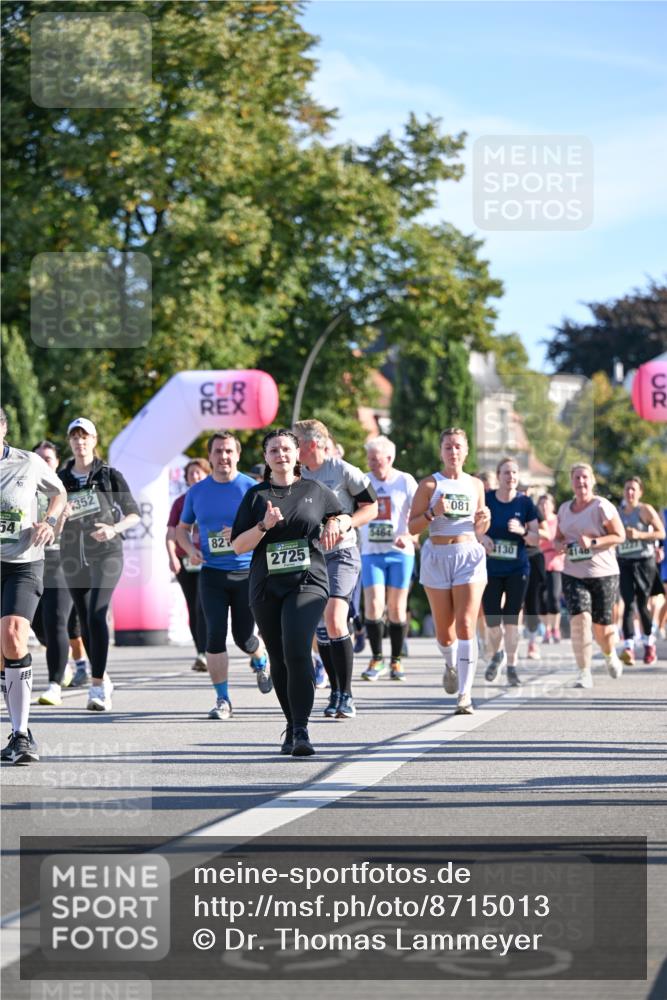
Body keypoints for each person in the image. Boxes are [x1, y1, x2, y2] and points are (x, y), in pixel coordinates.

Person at [231, 429, 342, 755]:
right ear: (266, 458)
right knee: (278, 658)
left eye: (286, 449)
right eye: (274, 450)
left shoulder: (315, 489)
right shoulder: (255, 496)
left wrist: (337, 523)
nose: (281, 455)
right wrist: (263, 525)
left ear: (297, 455)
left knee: (296, 649)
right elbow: (238, 545)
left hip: (309, 581)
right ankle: (291, 725)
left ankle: (301, 730)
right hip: (266, 585)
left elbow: (341, 515)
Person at [175, 432, 269, 721]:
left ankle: (260, 658)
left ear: (237, 455)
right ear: (211, 456)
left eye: (229, 451)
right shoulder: (197, 492)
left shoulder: (252, 489)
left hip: (246, 573)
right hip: (212, 574)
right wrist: (190, 549)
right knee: (213, 637)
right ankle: (223, 699)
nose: (224, 457)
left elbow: (269, 528)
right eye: (218, 451)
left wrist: (242, 536)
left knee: (243, 638)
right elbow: (181, 529)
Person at [293, 419, 378, 720]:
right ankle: (336, 691)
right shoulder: (294, 474)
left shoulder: (342, 470)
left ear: (311, 444)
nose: (290, 446)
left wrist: (345, 521)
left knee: (335, 617)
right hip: (309, 557)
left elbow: (371, 506)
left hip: (341, 553)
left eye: (295, 441)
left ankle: (348, 694)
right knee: (321, 628)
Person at [58, 417, 140, 712]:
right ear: (70, 442)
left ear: (94, 440)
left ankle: (96, 688)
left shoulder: (108, 475)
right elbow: (48, 518)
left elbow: (133, 513)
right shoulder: (60, 477)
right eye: (75, 437)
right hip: (72, 555)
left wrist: (113, 529)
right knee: (83, 620)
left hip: (107, 553)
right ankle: (102, 676)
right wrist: (61, 515)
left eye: (85, 437)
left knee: (96, 614)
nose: (80, 442)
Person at [407, 428, 490, 714]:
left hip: (468, 555)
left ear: (466, 451)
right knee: (445, 632)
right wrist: (433, 513)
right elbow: (412, 527)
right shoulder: (430, 485)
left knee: (466, 623)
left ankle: (465, 695)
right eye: (447, 447)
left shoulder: (476, 485)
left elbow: (479, 529)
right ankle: (451, 663)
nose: (453, 452)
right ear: (441, 452)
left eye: (457, 447)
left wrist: (484, 521)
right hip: (437, 556)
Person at [1, 408, 66, 763]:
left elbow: (59, 493)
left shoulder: (28, 462)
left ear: (3, 428)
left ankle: (21, 734)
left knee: (13, 634)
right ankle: (14, 712)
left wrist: (49, 520)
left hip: (23, 562)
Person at [554, 463, 625, 688]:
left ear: (592, 480)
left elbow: (619, 535)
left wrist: (593, 542)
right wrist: (559, 544)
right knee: (580, 621)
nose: (581, 482)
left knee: (602, 629)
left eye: (585, 478)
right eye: (576, 478)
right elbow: (558, 537)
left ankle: (609, 653)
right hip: (573, 572)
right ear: (571, 482)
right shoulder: (564, 508)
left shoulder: (601, 506)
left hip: (603, 573)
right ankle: (584, 672)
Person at [30, 439, 90, 704]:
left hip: (61, 562)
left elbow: (82, 530)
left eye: (48, 459)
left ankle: (54, 683)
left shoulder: (65, 490)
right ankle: (63, 662)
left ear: (56, 463)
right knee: (35, 623)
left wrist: (63, 518)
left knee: (57, 621)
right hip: (27, 562)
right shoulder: (22, 488)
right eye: (39, 458)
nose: (44, 463)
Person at [359, 435, 418, 682]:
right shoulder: (363, 481)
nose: (372, 463)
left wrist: (409, 534)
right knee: (373, 605)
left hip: (400, 552)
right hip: (371, 552)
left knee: (396, 608)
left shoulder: (405, 481)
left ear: (390, 458)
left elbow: (420, 514)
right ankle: (377, 658)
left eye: (377, 459)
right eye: (370, 459)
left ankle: (396, 660)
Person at [478, 458, 540, 687]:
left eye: (514, 472)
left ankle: (512, 667)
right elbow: (474, 528)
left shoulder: (525, 504)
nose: (510, 476)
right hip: (491, 569)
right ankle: (498, 655)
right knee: (493, 620)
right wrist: (481, 537)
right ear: (498, 476)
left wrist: (523, 531)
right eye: (506, 473)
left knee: (511, 620)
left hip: (517, 569)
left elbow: (537, 538)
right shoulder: (488, 500)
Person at [166, 458, 210, 672]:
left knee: (204, 605)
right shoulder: (180, 503)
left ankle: (210, 650)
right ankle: (201, 652)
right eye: (191, 474)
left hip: (208, 559)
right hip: (185, 560)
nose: (195, 477)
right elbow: (171, 532)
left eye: (198, 473)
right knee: (193, 607)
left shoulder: (213, 497)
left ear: (206, 474)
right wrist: (172, 556)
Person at [616, 476, 664, 666]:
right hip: (625, 561)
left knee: (643, 604)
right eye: (627, 489)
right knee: (627, 602)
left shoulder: (645, 510)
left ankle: (648, 644)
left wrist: (640, 535)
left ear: (640, 492)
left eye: (633, 489)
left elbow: (661, 533)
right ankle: (628, 646)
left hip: (645, 561)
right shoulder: (618, 513)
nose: (630, 493)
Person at [537, 493, 564, 643]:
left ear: (553, 506)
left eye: (547, 504)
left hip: (556, 562)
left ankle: (555, 628)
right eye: (541, 504)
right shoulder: (536, 522)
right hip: (540, 562)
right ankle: (546, 629)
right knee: (541, 599)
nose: (544, 507)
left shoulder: (558, 521)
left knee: (554, 597)